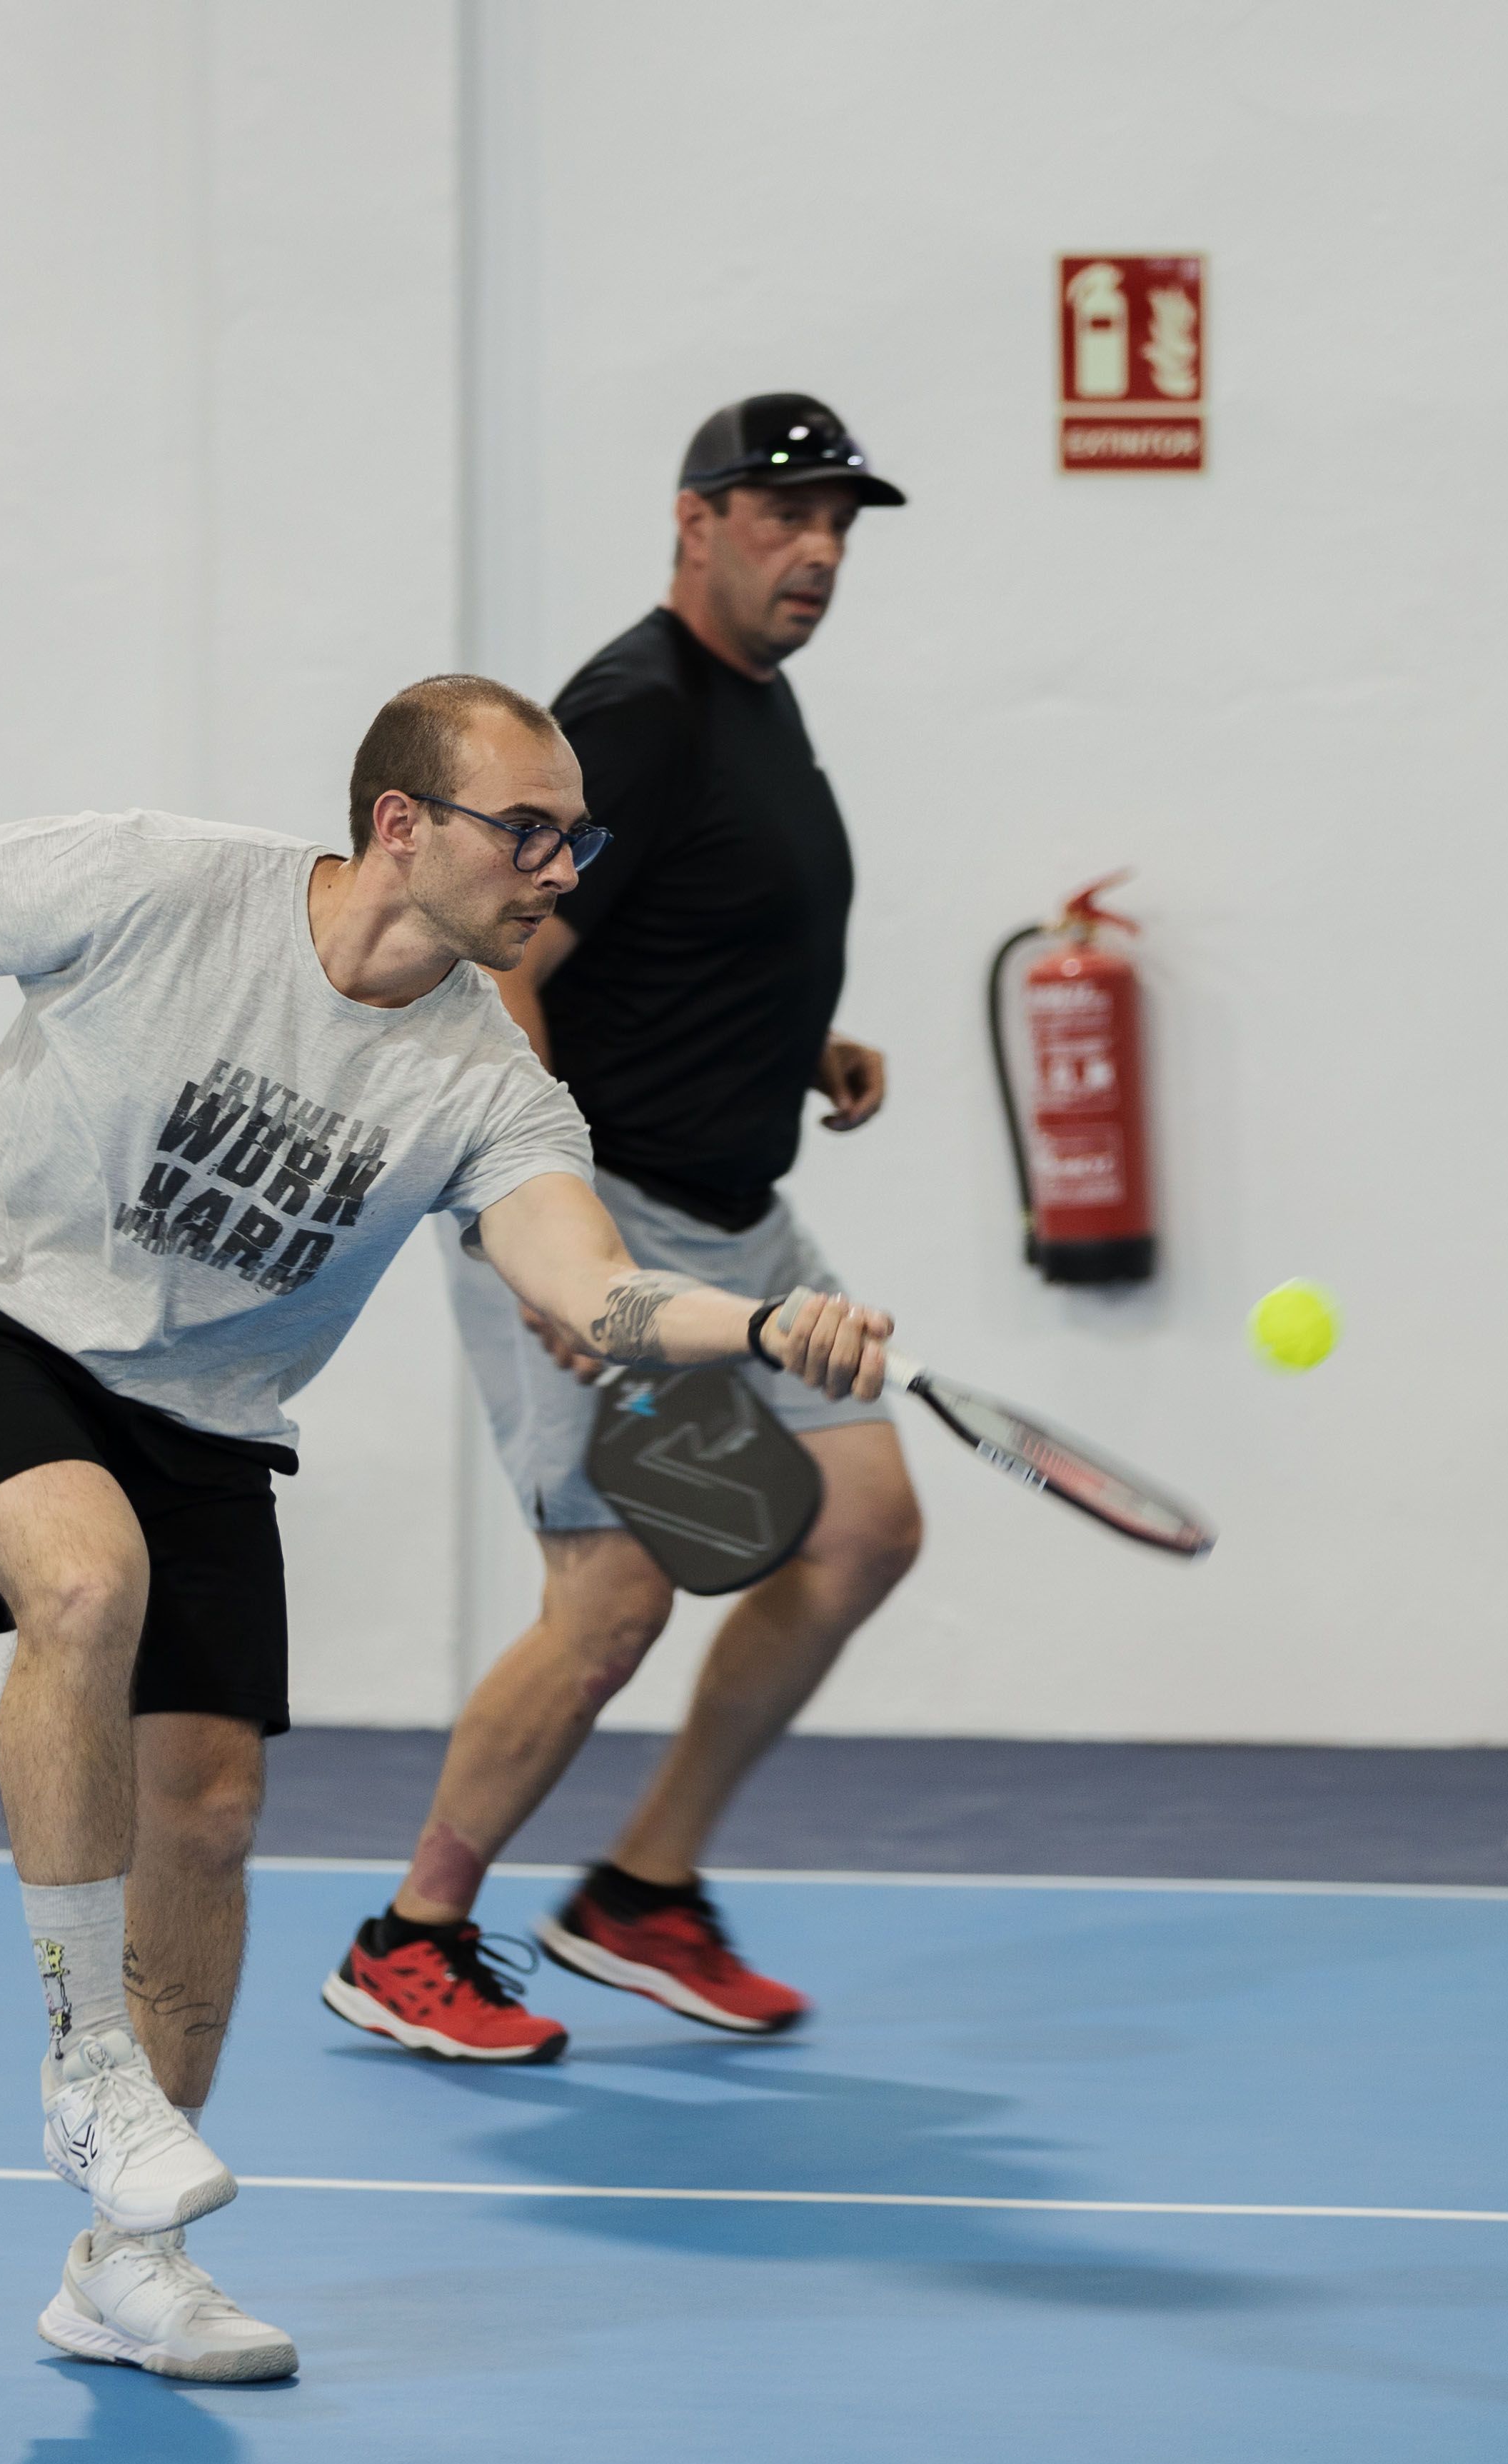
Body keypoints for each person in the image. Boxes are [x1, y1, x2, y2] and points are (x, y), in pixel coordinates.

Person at [0, 674, 893, 2382]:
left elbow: (590, 1283)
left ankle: (128, 2265)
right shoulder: (155, 880)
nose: (563, 868)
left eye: (581, 838)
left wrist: (764, 1326)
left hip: (202, 1414)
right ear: (401, 827)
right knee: (83, 1579)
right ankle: (87, 2067)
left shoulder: (492, 1084)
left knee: (206, 1811)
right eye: (531, 831)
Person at [320, 396, 921, 2067]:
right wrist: (547, 1237)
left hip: (743, 1206)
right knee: (613, 1598)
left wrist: (800, 1036)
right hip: (615, 1209)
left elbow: (687, 923)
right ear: (694, 522)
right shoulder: (635, 712)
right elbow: (512, 961)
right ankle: (412, 1934)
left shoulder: (752, 704)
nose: (815, 551)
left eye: (839, 526)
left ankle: (645, 1892)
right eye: (780, 515)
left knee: (861, 1524)